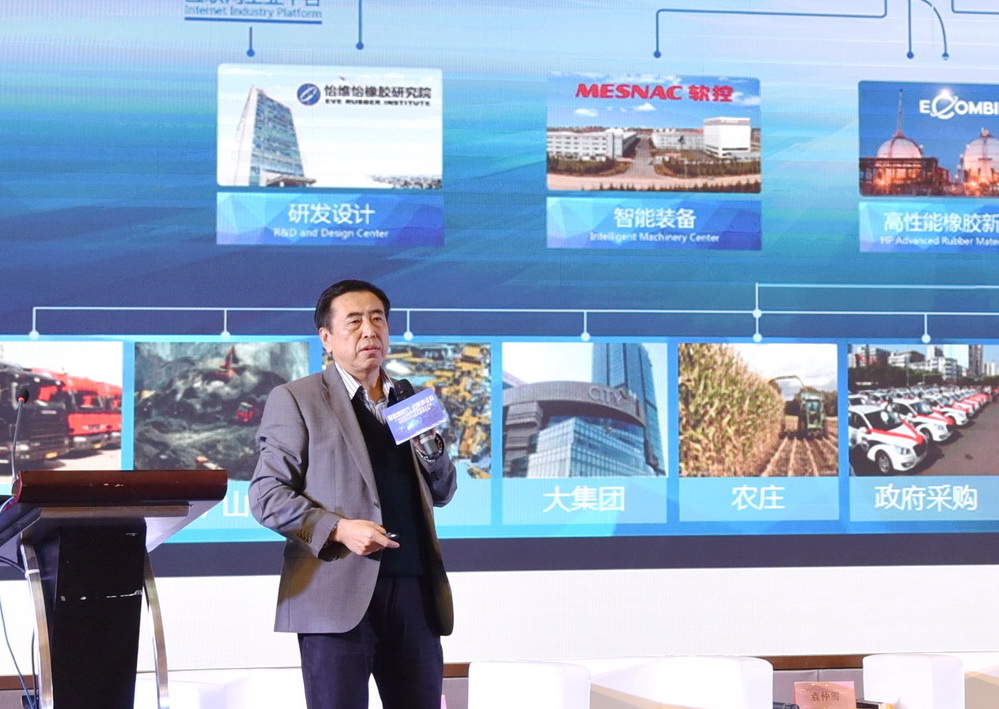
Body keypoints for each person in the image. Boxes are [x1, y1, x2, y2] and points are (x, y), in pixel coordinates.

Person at [249, 279, 457, 709]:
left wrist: (431, 447)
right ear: (326, 338)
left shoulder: (408, 397)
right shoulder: (297, 398)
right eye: (355, 321)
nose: (369, 331)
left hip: (415, 593)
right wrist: (338, 529)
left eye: (378, 319)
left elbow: (443, 491)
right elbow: (266, 495)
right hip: (334, 596)